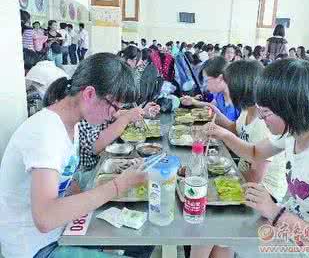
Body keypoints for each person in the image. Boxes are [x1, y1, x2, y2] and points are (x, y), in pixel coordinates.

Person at [0, 53, 155, 258]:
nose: (113, 114)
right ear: (90, 94)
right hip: (36, 248)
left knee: (145, 239)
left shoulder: (72, 125)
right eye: (115, 106)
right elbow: (45, 218)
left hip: (61, 231)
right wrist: (118, 185)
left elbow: (68, 180)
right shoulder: (45, 132)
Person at [205, 59, 309, 258]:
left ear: (292, 109)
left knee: (224, 235)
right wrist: (223, 134)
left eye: (266, 112)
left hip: (307, 250)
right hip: (285, 226)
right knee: (222, 233)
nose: (262, 118)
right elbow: (255, 152)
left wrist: (274, 211)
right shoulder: (296, 129)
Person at [191, 60, 287, 258]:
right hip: (244, 175)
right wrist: (215, 116)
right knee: (215, 229)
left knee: (206, 220)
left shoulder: (262, 122)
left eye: (229, 85)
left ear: (242, 87)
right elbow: (235, 130)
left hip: (264, 191)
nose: (226, 89)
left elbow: (256, 177)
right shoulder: (247, 110)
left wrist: (221, 180)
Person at [181, 56, 241, 121]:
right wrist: (193, 101)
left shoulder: (241, 101)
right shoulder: (219, 94)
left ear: (220, 78)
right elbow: (212, 105)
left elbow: (238, 129)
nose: (205, 86)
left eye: (206, 81)